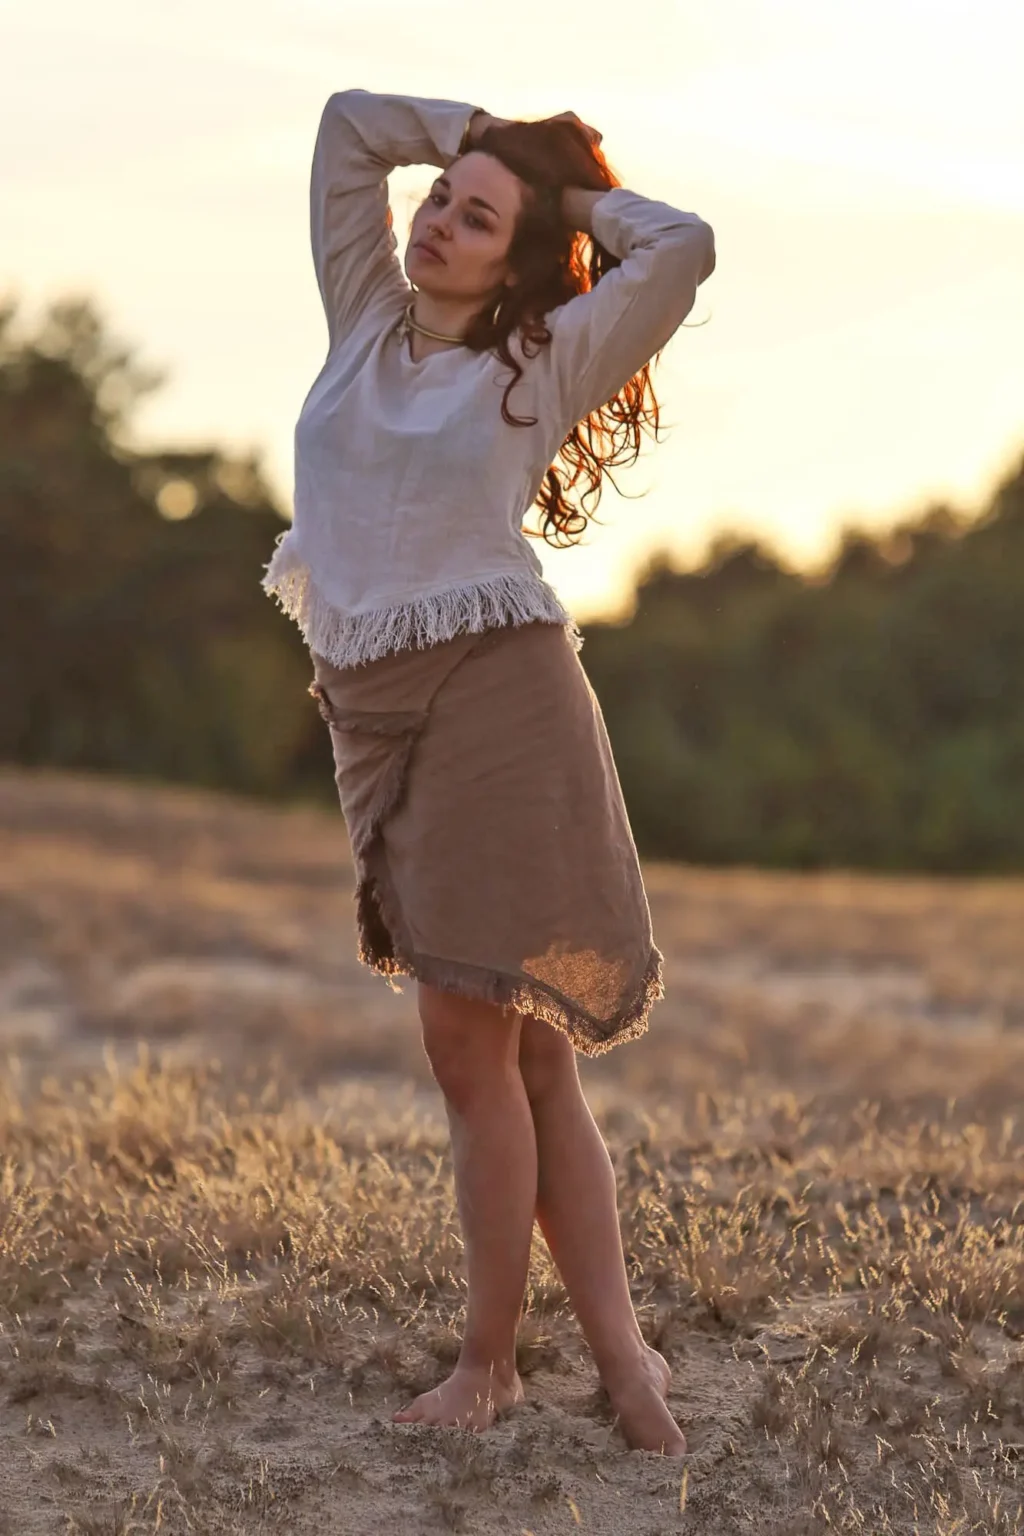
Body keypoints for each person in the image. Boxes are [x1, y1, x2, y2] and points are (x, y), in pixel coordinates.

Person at [263, 89, 716, 1456]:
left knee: (479, 1047)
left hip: (498, 699)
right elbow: (349, 127)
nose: (438, 227)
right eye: (440, 202)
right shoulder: (362, 318)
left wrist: (562, 198)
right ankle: (625, 1363)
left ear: (518, 259)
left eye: (475, 217)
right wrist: (489, 137)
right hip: (371, 712)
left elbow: (683, 247)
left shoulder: (540, 359)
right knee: (518, 1062)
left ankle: (492, 1365)